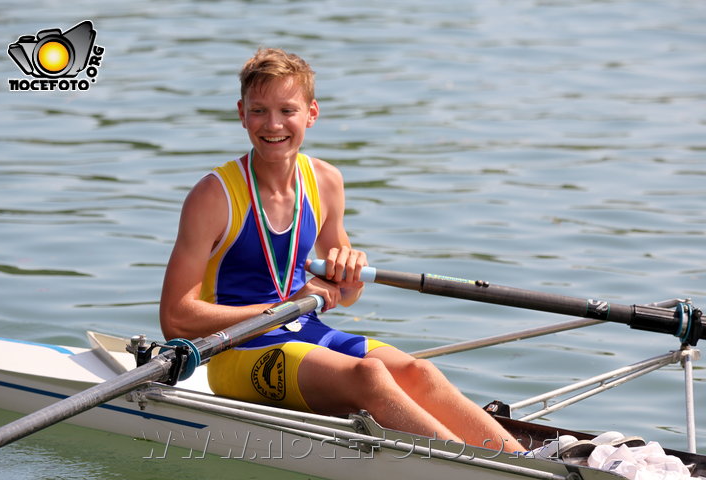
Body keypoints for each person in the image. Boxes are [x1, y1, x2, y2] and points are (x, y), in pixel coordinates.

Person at [159, 48, 523, 453]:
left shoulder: (326, 181)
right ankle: (478, 470)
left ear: (311, 113)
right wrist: (284, 308)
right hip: (237, 350)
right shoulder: (214, 196)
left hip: (305, 331)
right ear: (242, 113)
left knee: (420, 372)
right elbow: (176, 319)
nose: (274, 124)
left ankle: (525, 460)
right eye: (259, 111)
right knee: (370, 377)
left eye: (287, 110)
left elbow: (347, 293)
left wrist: (350, 271)